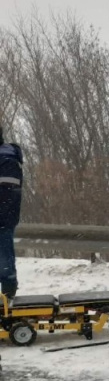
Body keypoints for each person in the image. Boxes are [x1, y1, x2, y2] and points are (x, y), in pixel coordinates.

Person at [0, 127, 24, 300]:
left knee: (4, 255)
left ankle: (8, 291)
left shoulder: (7, 160)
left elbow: (9, 194)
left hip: (3, 219)